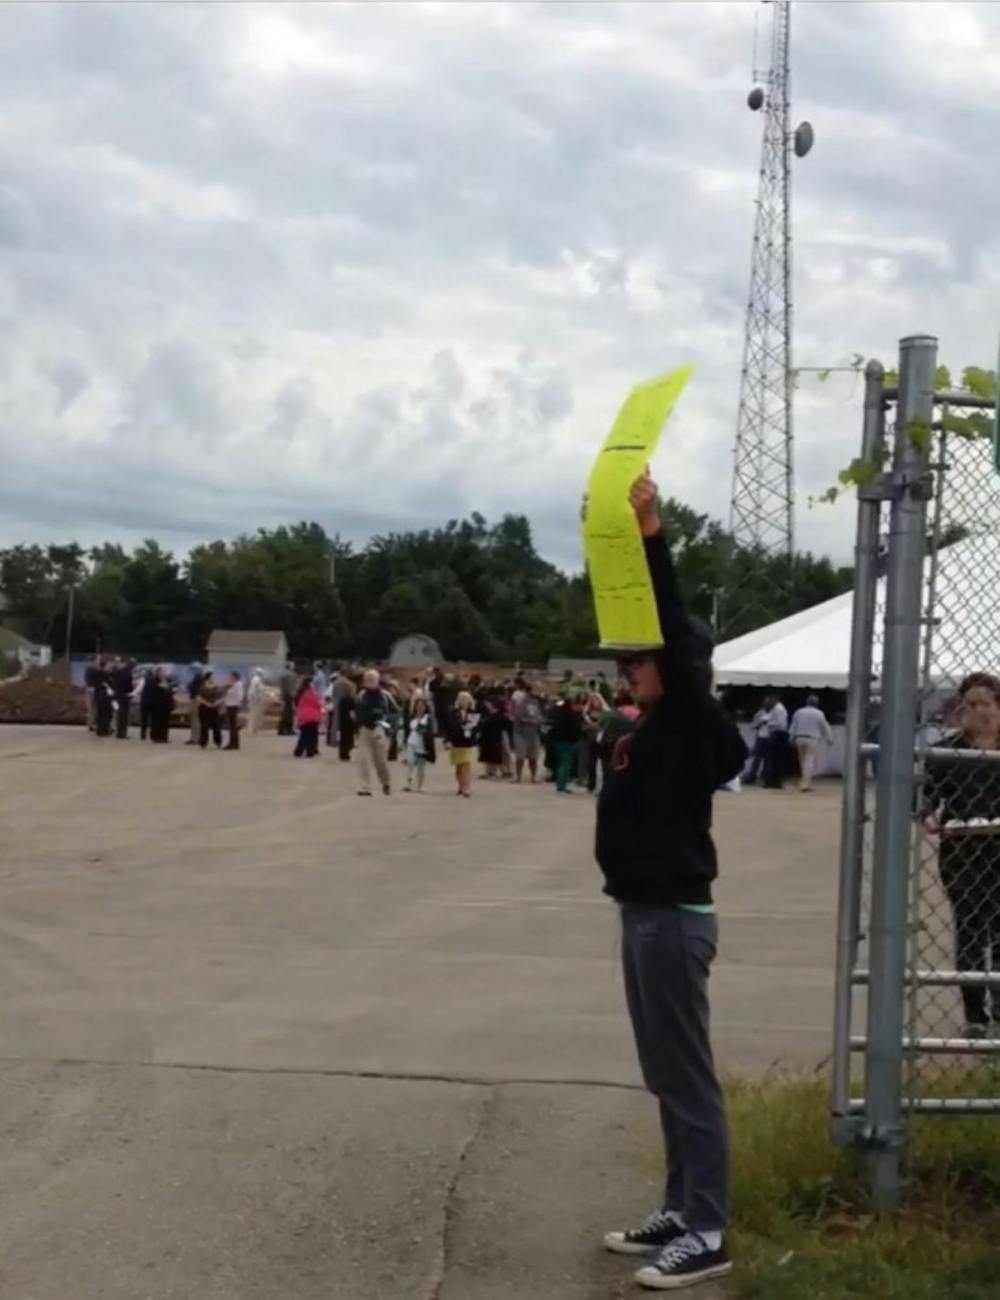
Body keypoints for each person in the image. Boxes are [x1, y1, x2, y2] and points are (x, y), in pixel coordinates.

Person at [599, 471, 746, 1291]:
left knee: (686, 1075)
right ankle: (680, 1204)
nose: (627, 671)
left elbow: (667, 618)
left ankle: (709, 1228)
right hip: (640, 912)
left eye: (640, 659)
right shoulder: (644, 725)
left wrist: (651, 532)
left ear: (680, 665)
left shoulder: (690, 717)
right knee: (663, 1072)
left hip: (674, 920)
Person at [924, 672, 1000, 1038]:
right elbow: (925, 796)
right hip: (963, 852)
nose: (977, 712)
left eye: (985, 703)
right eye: (970, 705)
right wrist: (926, 815)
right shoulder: (949, 751)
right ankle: (975, 1015)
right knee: (970, 932)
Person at [354, 668, 398, 795]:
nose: (369, 682)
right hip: (365, 730)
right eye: (367, 679)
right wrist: (357, 728)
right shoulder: (361, 695)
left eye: (372, 679)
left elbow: (395, 712)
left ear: (377, 681)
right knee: (363, 759)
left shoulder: (386, 695)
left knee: (380, 761)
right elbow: (358, 713)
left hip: (380, 730)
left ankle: (386, 782)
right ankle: (364, 787)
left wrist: (388, 728)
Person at [789, 695, 834, 792]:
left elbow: (793, 725)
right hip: (812, 738)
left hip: (799, 737)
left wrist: (791, 737)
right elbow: (825, 726)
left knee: (802, 761)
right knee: (809, 761)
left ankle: (804, 781)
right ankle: (805, 783)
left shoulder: (799, 712)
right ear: (816, 703)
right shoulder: (819, 713)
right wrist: (829, 738)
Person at [547, 694, 585, 794]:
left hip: (557, 741)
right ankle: (561, 786)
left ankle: (561, 784)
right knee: (566, 764)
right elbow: (577, 730)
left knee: (561, 764)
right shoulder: (573, 716)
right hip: (568, 742)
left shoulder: (558, 714)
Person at [446, 690, 480, 797]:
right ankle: (460, 785)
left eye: (466, 700)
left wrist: (472, 729)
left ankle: (467, 787)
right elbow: (449, 727)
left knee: (466, 764)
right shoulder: (453, 713)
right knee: (459, 767)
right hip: (457, 742)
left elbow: (477, 726)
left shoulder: (473, 713)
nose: (464, 702)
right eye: (462, 700)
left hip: (468, 743)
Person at [512, 681, 545, 783]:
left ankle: (533, 776)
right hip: (521, 733)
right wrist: (532, 721)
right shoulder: (521, 702)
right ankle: (518, 776)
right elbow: (518, 717)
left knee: (533, 757)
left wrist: (539, 720)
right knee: (520, 757)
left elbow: (538, 715)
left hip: (533, 733)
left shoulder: (535, 702)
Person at [404, 696, 436, 792]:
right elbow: (407, 729)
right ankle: (409, 784)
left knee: (421, 767)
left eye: (422, 706)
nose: (420, 707)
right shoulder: (411, 717)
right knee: (411, 762)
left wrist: (424, 731)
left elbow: (431, 731)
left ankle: (420, 786)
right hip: (411, 742)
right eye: (418, 705)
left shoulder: (428, 718)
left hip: (422, 744)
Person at [743, 698, 773, 786]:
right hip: (761, 737)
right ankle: (751, 777)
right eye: (766, 704)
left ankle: (766, 777)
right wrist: (760, 724)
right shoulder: (760, 713)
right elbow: (752, 725)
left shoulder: (775, 713)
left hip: (770, 738)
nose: (768, 706)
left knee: (768, 759)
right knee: (757, 758)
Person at [762, 695, 789, 790]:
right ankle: (773, 781)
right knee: (774, 760)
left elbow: (780, 723)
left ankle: (773, 781)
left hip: (778, 734)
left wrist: (768, 723)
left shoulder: (778, 709)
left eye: (767, 701)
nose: (766, 704)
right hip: (777, 734)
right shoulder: (776, 709)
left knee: (775, 759)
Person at [293, 675, 323, 757]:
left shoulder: (300, 692)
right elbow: (318, 704)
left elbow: (297, 703)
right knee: (312, 735)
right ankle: (311, 751)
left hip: (302, 716)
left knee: (303, 734)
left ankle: (299, 750)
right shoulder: (313, 693)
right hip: (313, 717)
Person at [478, 698, 506, 779]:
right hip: (486, 738)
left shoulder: (499, 715)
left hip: (495, 737)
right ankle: (488, 772)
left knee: (494, 755)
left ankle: (495, 772)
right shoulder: (487, 714)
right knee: (487, 756)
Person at [197, 671, 224, 750]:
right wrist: (206, 703)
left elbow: (222, 697)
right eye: (212, 676)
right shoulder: (202, 687)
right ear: (208, 678)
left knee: (216, 726)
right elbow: (198, 697)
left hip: (215, 708)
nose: (214, 678)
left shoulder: (217, 687)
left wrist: (216, 703)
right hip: (204, 708)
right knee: (204, 726)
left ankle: (218, 742)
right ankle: (203, 742)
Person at [334, 671, 357, 761]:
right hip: (349, 719)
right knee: (348, 736)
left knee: (343, 736)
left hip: (342, 718)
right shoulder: (351, 700)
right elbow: (354, 709)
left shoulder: (342, 701)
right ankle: (346, 752)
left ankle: (342, 752)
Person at [148, 667, 175, 743]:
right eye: (162, 672)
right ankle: (156, 737)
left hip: (166, 705)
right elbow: (152, 692)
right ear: (158, 673)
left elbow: (171, 691)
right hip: (157, 705)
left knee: (165, 722)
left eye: (164, 672)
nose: (164, 674)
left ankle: (164, 737)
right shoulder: (153, 681)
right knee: (157, 721)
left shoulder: (167, 681)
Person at [110, 657, 134, 740]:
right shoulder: (127, 673)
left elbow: (114, 684)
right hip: (124, 695)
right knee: (123, 715)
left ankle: (119, 732)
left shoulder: (117, 672)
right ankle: (122, 733)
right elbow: (129, 686)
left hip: (117, 695)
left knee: (119, 714)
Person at [223, 671, 244, 751]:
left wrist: (228, 691)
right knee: (232, 726)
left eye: (230, 676)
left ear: (234, 677)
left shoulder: (237, 684)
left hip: (233, 706)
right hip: (231, 705)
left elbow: (238, 696)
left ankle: (233, 743)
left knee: (233, 726)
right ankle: (233, 743)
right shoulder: (234, 685)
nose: (229, 678)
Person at [93, 659, 114, 737]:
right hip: (105, 696)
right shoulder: (104, 674)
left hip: (98, 695)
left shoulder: (97, 673)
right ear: (105, 666)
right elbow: (110, 684)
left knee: (100, 713)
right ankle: (104, 730)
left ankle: (100, 730)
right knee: (106, 713)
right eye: (108, 665)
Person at [186, 663, 205, 746]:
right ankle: (194, 737)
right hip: (194, 699)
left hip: (195, 699)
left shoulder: (199, 677)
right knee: (194, 719)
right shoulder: (197, 677)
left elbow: (194, 689)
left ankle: (196, 738)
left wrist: (189, 686)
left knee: (195, 719)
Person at [278, 661, 297, 737]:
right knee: (290, 714)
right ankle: (289, 729)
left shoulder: (282, 675)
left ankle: (281, 729)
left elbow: (282, 687)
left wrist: (282, 696)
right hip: (290, 696)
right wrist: (293, 694)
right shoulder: (292, 675)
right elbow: (292, 687)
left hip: (285, 696)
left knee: (284, 713)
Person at [139, 667, 157, 740]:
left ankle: (143, 735)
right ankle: (152, 734)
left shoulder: (143, 680)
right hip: (152, 702)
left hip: (144, 701)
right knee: (153, 719)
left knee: (144, 719)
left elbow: (139, 690)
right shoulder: (154, 681)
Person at [247, 670, 267, 736]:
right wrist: (254, 700)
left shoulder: (257, 680)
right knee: (254, 716)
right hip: (255, 700)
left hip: (256, 699)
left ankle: (253, 730)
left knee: (254, 715)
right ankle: (252, 730)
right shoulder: (256, 680)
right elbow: (254, 691)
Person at [84, 655, 101, 732]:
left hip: (89, 688)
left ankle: (91, 725)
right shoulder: (93, 668)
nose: (99, 661)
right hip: (92, 689)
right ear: (94, 660)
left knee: (91, 708)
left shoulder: (89, 668)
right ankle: (91, 725)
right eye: (98, 659)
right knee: (93, 708)